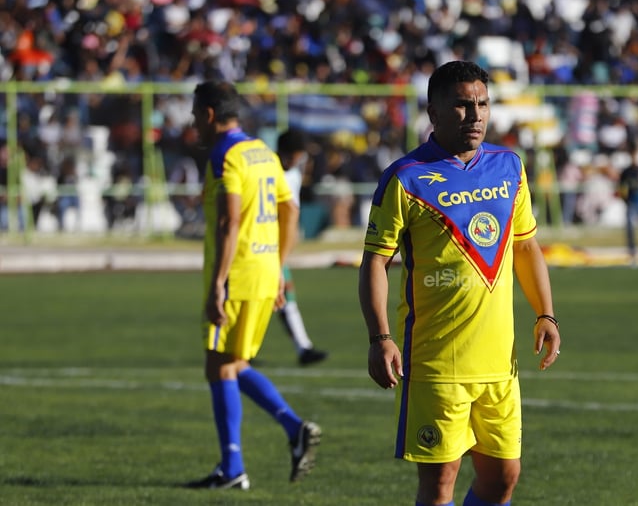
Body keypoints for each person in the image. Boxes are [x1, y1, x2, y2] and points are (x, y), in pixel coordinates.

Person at [358, 61, 562, 506]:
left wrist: (545, 313)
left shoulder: (509, 167)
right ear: (433, 111)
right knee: (439, 487)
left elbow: (526, 248)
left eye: (483, 104)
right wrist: (380, 338)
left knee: (503, 478)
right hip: (437, 363)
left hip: (499, 363)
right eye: (462, 105)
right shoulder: (406, 177)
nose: (475, 116)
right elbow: (375, 262)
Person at [186, 80, 321, 490]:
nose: (194, 123)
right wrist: (279, 267)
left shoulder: (223, 154)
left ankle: (233, 469)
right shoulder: (262, 152)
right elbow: (291, 210)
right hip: (264, 271)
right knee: (230, 363)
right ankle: (290, 429)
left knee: (219, 364)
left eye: (196, 115)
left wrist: (217, 284)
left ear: (209, 114)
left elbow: (230, 221)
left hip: (239, 274)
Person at [274, 128, 329, 366]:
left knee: (282, 297)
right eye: (298, 155)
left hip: (278, 248)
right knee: (278, 296)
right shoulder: (269, 172)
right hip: (262, 247)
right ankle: (303, 348)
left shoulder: (293, 175)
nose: (300, 160)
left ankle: (303, 348)